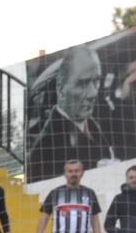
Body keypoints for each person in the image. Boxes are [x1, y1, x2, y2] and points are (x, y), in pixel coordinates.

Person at [28, 45, 112, 181]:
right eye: (82, 84)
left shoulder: (92, 123)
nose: (93, 93)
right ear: (60, 89)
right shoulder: (45, 149)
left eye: (96, 81)